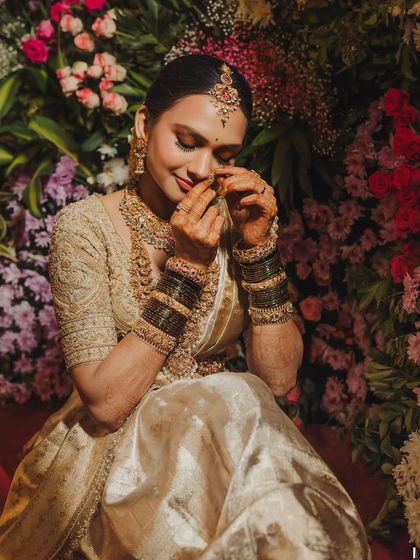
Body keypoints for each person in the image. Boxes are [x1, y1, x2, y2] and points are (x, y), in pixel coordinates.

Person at [0, 54, 370, 559]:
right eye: (187, 142)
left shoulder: (239, 218)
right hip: (118, 461)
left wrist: (258, 249)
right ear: (143, 125)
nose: (201, 170)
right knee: (233, 402)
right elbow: (105, 404)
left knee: (248, 431)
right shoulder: (84, 228)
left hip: (223, 442)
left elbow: (279, 380)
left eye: (224, 154)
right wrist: (188, 267)